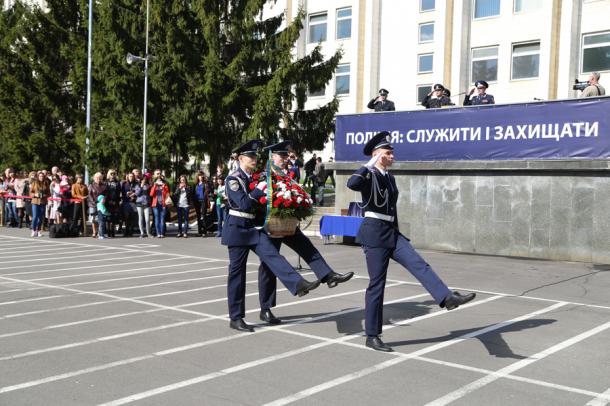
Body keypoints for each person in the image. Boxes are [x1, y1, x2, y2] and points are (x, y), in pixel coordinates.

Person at [347, 131, 477, 352]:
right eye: (388, 153)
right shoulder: (368, 175)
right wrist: (369, 164)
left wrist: (396, 231)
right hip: (374, 233)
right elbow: (352, 183)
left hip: (391, 231)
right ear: (377, 154)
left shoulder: (390, 177)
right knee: (377, 285)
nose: (393, 156)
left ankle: (447, 298)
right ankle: (372, 335)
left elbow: (391, 208)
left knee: (418, 263)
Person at [222, 140, 320, 332]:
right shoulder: (233, 179)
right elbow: (244, 204)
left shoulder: (254, 178)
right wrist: (260, 188)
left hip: (254, 228)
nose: (254, 159)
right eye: (251, 156)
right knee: (237, 274)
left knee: (272, 256)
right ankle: (236, 317)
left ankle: (298, 284)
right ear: (241, 158)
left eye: (255, 156)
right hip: (237, 229)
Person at [257, 141, 354, 325]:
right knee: (269, 266)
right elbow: (259, 199)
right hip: (269, 225)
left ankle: (328, 276)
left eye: (287, 156)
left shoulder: (287, 176)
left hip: (286, 223)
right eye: (282, 156)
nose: (286, 160)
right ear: (271, 157)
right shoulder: (265, 176)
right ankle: (265, 308)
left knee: (307, 247)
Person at [150, 169, 170, 238]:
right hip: (155, 204)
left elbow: (167, 193)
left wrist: (164, 187)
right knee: (156, 218)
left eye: (160, 173)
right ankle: (158, 233)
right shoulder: (153, 183)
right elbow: (151, 194)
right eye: (157, 174)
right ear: (155, 175)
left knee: (162, 219)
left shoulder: (165, 182)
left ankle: (162, 233)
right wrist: (155, 186)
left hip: (163, 203)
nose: (159, 175)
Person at [29, 171, 50, 237]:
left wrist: (44, 195)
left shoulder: (46, 183)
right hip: (35, 201)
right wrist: (35, 194)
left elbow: (49, 193)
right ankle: (33, 230)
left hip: (43, 202)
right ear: (38, 177)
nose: (41, 177)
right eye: (40, 176)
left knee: (40, 217)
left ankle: (38, 231)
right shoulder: (34, 182)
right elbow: (30, 193)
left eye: (43, 176)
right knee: (35, 216)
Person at [87, 172, 106, 238]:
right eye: (97, 178)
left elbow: (106, 194)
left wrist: (104, 199)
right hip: (93, 204)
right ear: (94, 178)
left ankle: (99, 232)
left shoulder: (104, 186)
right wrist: (94, 202)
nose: (99, 179)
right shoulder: (91, 185)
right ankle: (94, 232)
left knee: (99, 219)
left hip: (101, 205)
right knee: (93, 219)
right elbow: (89, 195)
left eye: (100, 178)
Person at [135, 173, 152, 238]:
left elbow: (150, 193)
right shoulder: (138, 185)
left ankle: (148, 233)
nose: (144, 180)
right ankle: (142, 233)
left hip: (146, 203)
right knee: (140, 218)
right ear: (141, 180)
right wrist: (141, 186)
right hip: (139, 203)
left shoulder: (148, 185)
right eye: (143, 179)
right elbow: (137, 194)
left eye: (145, 179)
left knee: (147, 219)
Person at [121, 172, 138, 236]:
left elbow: (138, 191)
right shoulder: (124, 184)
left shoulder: (136, 184)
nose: (131, 177)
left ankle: (131, 231)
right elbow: (122, 193)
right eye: (130, 176)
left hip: (133, 202)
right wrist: (127, 194)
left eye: (132, 176)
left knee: (132, 217)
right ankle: (126, 231)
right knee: (126, 217)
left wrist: (134, 194)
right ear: (127, 177)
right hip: (126, 202)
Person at [193, 172, 209, 237]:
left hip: (203, 201)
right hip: (197, 201)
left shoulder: (205, 184)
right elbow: (194, 193)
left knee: (203, 216)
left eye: (202, 176)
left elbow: (207, 192)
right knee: (198, 217)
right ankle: (199, 231)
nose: (201, 177)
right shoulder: (196, 185)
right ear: (198, 177)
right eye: (199, 176)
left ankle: (204, 232)